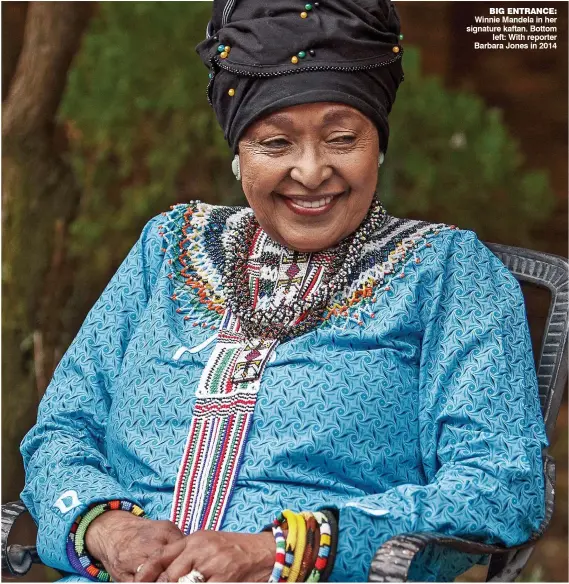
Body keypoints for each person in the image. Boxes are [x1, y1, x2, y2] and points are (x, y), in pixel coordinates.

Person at [20, 0, 548, 582]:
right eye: (276, 145)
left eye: (342, 138)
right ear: (238, 153)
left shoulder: (447, 272)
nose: (312, 171)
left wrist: (278, 550)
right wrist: (106, 528)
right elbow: (63, 430)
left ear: (379, 145)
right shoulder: (167, 248)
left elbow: (499, 485)